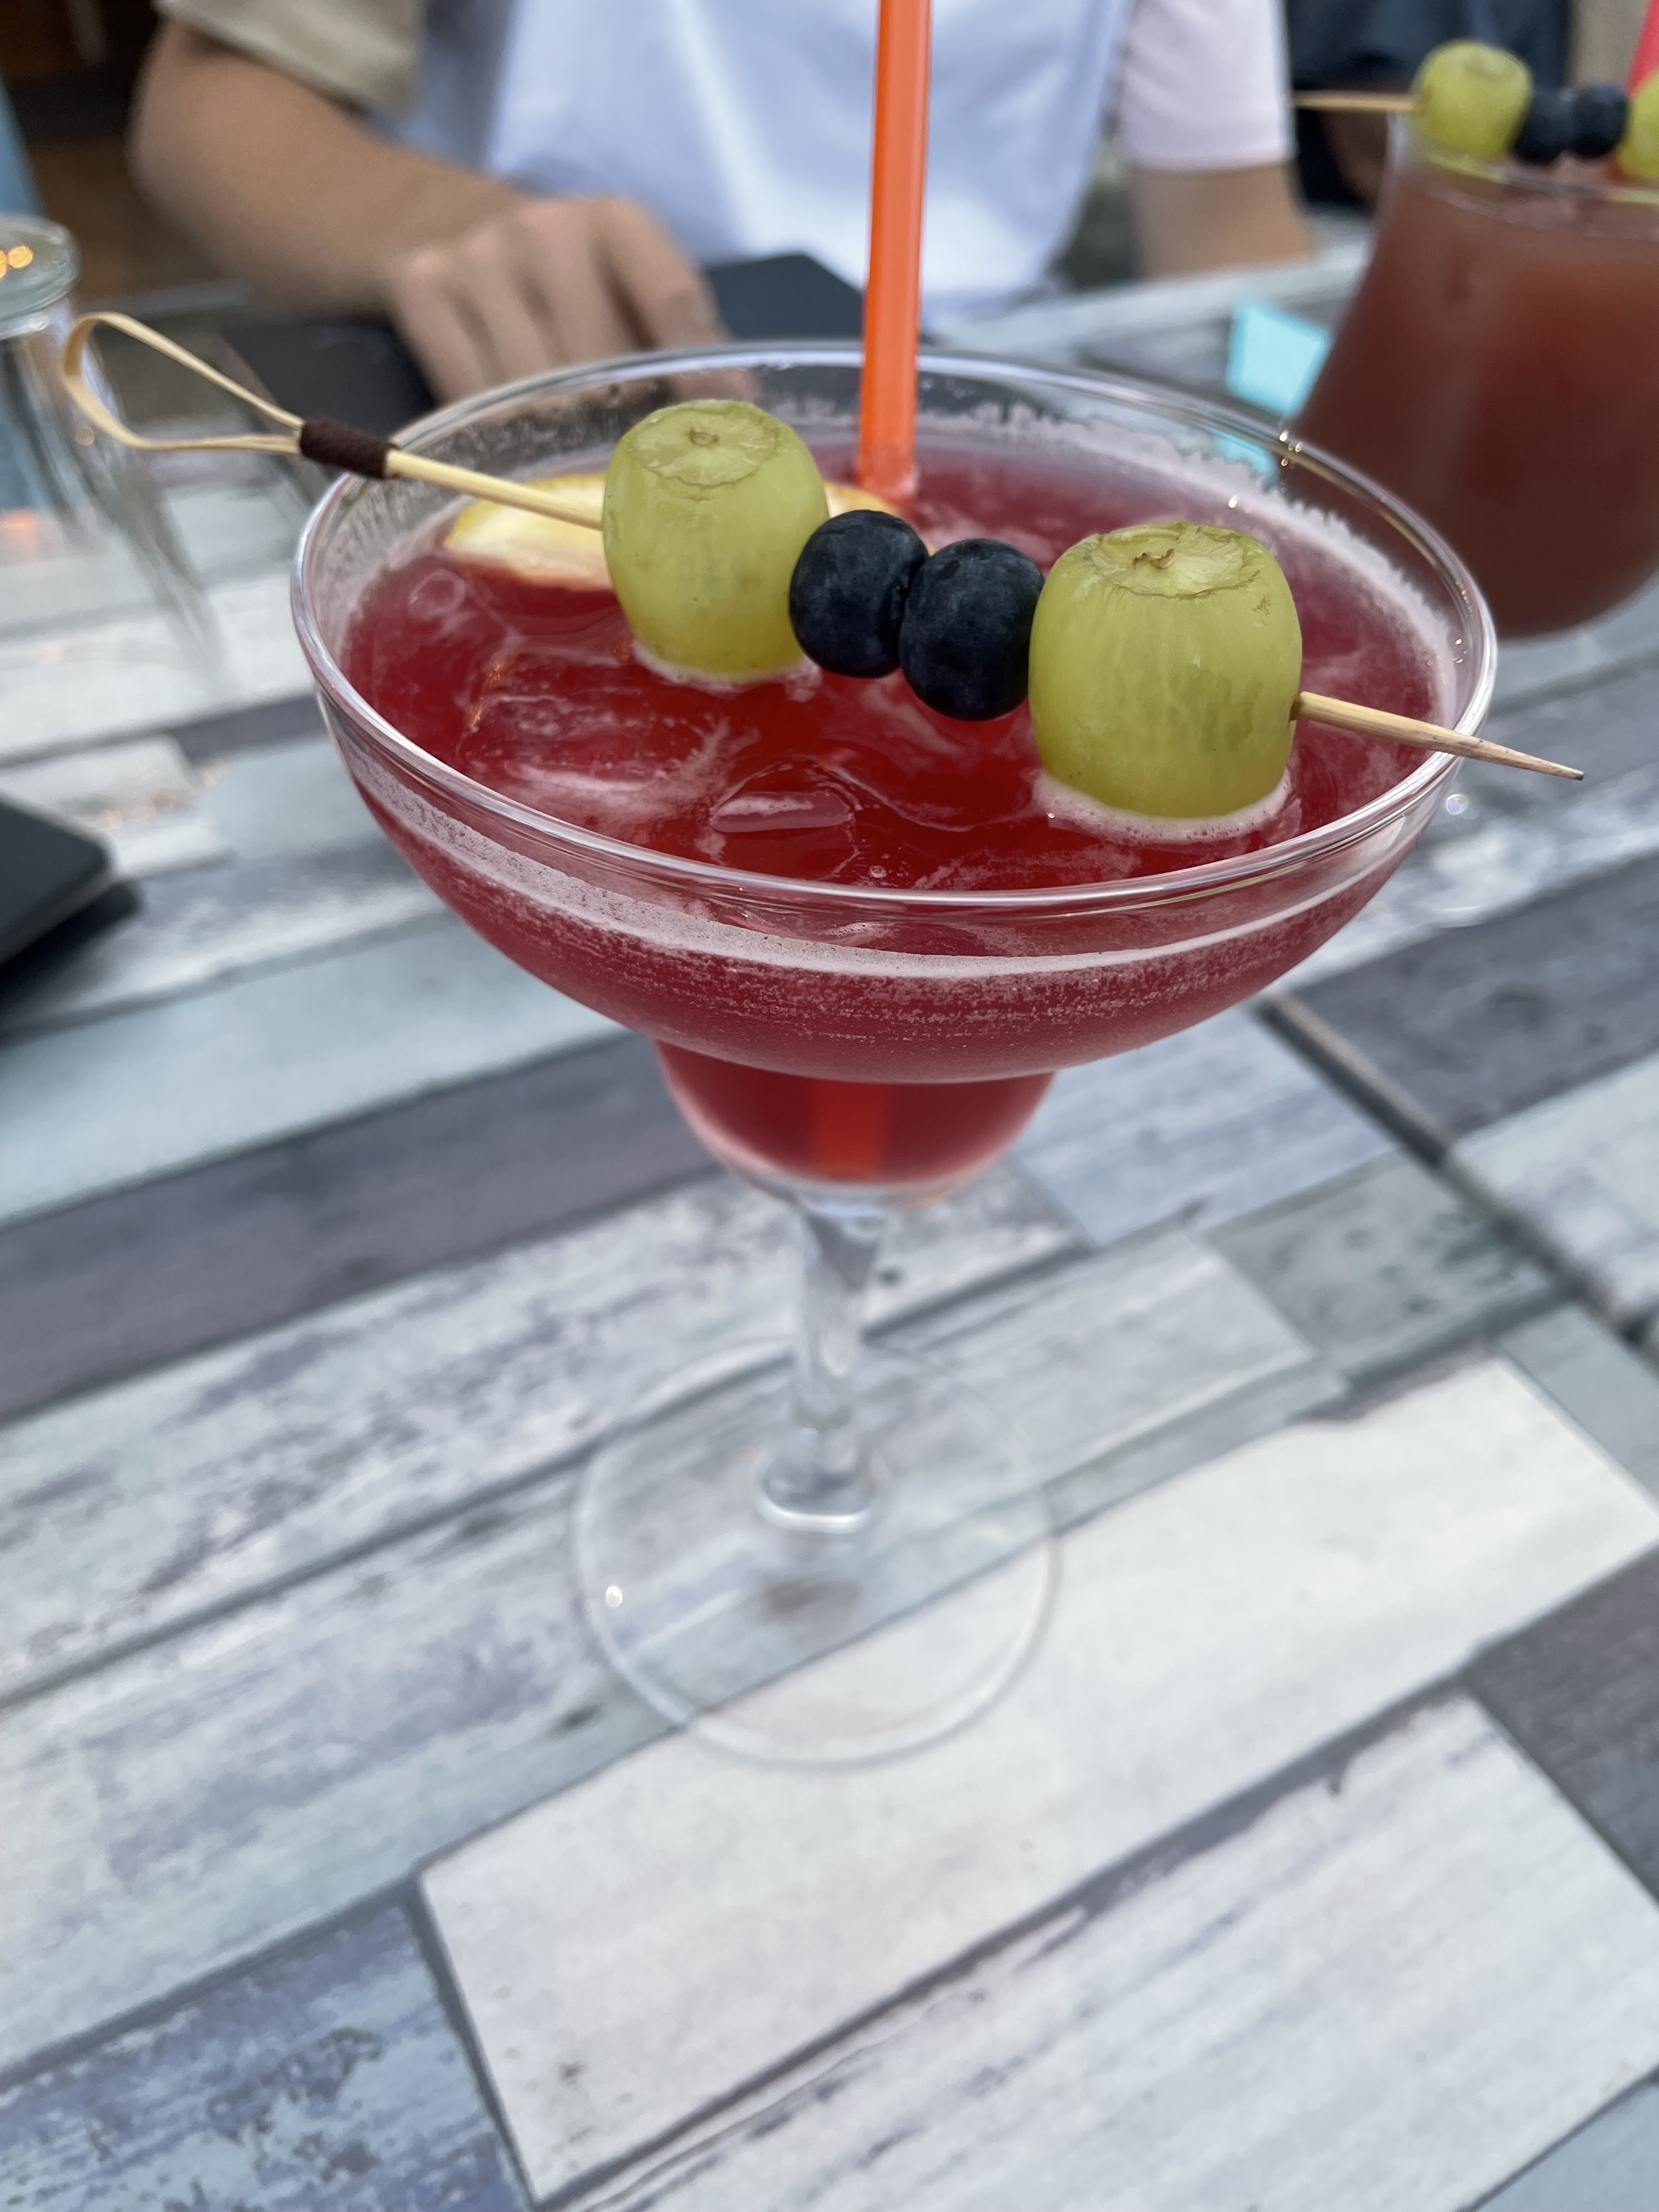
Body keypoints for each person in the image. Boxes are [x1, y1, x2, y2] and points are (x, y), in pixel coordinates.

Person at [131, 0, 1311, 403]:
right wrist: (436, 228)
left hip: (978, 401)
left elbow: (1233, 255)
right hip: (539, 395)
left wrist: (1299, 437)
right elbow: (204, 98)